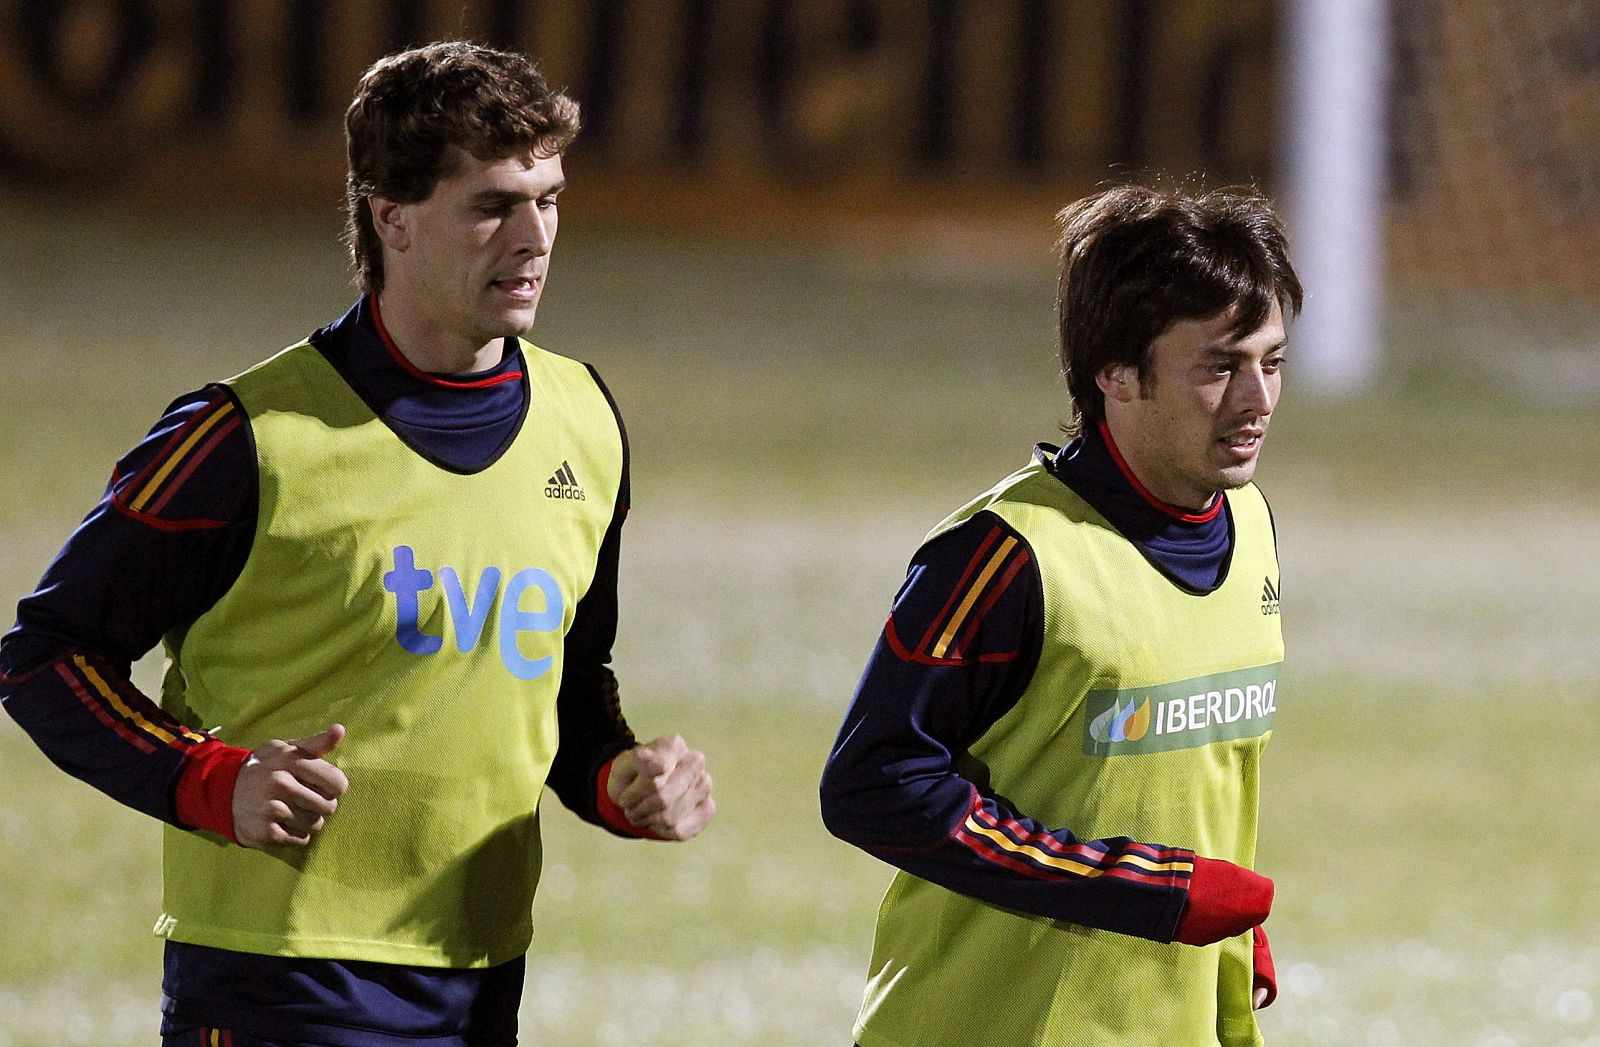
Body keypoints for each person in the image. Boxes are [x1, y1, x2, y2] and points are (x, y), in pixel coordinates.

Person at [0, 41, 714, 1046]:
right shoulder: (244, 438)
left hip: (481, 972)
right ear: (391, 218)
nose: (534, 237)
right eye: (491, 206)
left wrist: (619, 779)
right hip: (277, 984)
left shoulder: (585, 423)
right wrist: (213, 780)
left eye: (548, 199)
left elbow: (562, 675)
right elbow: (46, 658)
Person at [819, 183, 1302, 1047]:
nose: (1257, 398)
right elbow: (872, 786)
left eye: (1272, 361)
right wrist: (1150, 890)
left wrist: (1227, 933)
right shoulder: (1007, 555)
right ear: (1115, 371)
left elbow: (1185, 778)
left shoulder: (1253, 524)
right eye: (1219, 366)